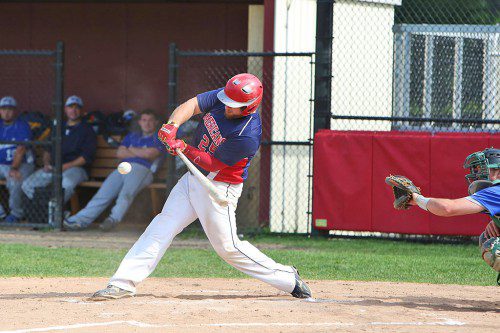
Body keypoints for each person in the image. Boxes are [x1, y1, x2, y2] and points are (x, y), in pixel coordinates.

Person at [91, 73, 312, 300]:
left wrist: (183, 147)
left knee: (228, 248)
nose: (226, 106)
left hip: (218, 187)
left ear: (248, 107)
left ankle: (287, 278)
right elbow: (192, 105)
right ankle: (123, 283)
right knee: (162, 225)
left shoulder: (247, 134)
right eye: (227, 101)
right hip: (193, 178)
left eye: (234, 106)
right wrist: (172, 126)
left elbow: (213, 164)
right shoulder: (225, 96)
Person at [403, 148, 499, 282]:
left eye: (481, 169)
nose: (477, 174)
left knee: (494, 247)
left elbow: (447, 208)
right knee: (490, 235)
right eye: (476, 170)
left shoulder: (496, 191)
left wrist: (417, 199)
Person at [63, 109, 164, 231]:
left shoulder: (159, 137)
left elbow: (150, 154)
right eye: (144, 120)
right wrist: (139, 152)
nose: (147, 123)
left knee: (126, 194)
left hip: (143, 169)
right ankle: (78, 221)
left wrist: (130, 150)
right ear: (139, 122)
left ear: (156, 122)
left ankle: (113, 219)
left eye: (150, 120)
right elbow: (120, 153)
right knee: (103, 194)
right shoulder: (132, 136)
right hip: (123, 167)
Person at [22, 95, 97, 204]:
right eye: (71, 107)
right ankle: (46, 209)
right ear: (65, 109)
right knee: (27, 185)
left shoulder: (87, 130)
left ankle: (56, 212)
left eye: (77, 107)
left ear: (81, 110)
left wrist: (66, 166)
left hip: (76, 169)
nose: (74, 110)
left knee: (66, 183)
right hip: (54, 168)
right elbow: (47, 149)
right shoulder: (58, 128)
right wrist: (46, 163)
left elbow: (85, 157)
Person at [0, 96, 34, 223]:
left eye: (10, 109)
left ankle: (17, 214)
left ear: (15, 111)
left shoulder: (22, 126)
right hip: (2, 164)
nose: (6, 112)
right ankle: (1, 213)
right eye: (3, 109)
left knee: (14, 181)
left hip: (22, 164)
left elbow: (21, 150)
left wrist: (14, 168)